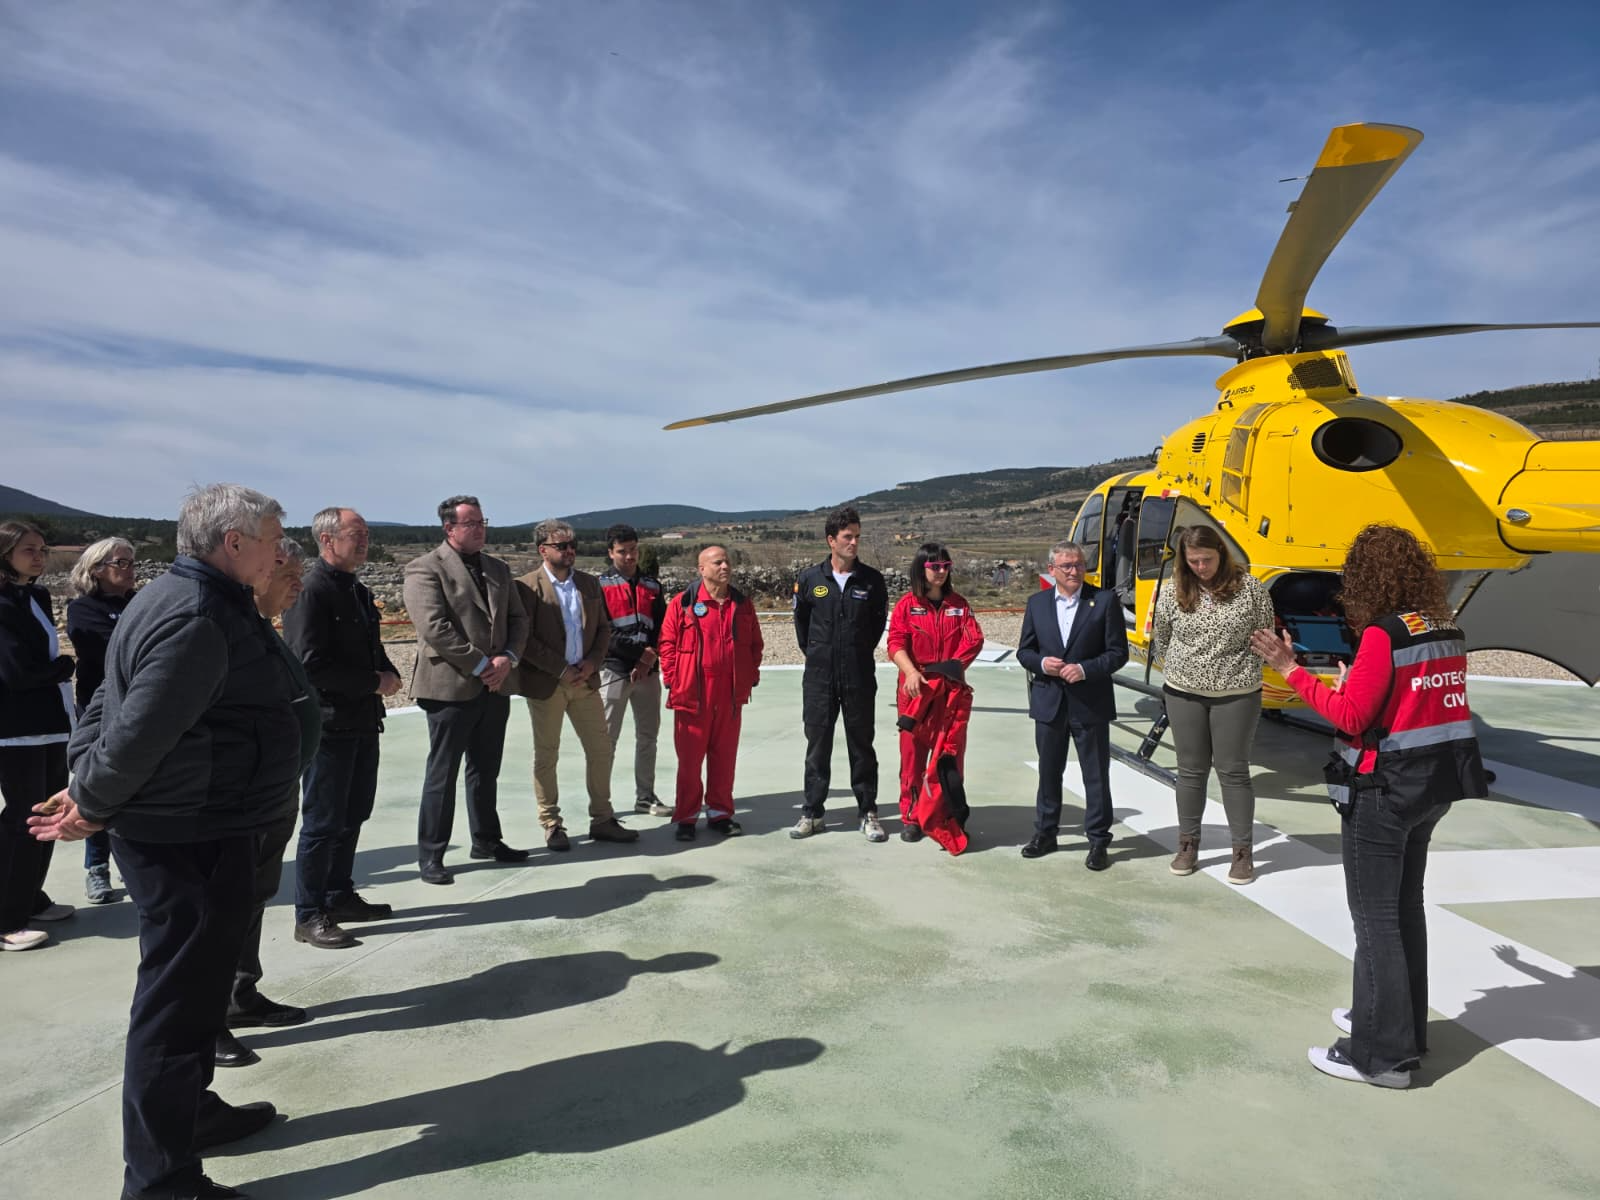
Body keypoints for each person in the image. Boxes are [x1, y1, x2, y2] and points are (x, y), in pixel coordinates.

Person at [30, 483, 297, 1200]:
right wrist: (91, 800)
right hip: (191, 834)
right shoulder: (198, 614)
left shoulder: (176, 597)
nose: (281, 552)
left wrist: (85, 780)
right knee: (177, 1008)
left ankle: (190, 1116)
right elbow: (139, 726)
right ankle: (161, 1181)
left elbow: (107, 702)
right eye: (274, 539)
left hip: (198, 824)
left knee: (194, 998)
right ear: (234, 542)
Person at [1251, 524, 1486, 1090]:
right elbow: (1413, 703)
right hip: (1432, 785)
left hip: (1383, 791)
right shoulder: (1445, 629)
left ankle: (1381, 1058)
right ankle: (1401, 1029)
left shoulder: (1383, 634)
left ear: (1366, 577)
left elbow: (1351, 718)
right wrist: (1356, 684)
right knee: (1406, 911)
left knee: (1375, 920)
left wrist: (1290, 668)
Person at [216, 537, 322, 1071]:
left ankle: (240, 994)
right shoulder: (222, 631)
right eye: (289, 574)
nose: (298, 585)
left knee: (252, 899)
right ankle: (208, 1020)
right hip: (237, 801)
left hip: (273, 794)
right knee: (222, 911)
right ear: (259, 570)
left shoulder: (260, 630)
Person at [283, 507, 400, 948]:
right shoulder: (312, 592)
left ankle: (339, 895)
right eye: (357, 534)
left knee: (353, 813)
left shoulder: (358, 591)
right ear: (328, 540)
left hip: (363, 721)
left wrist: (388, 673)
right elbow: (308, 665)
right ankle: (309, 913)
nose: (365, 541)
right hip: (330, 726)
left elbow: (373, 648)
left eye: (367, 534)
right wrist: (373, 682)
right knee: (322, 821)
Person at [404, 495, 529, 885]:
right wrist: (481, 664)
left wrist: (508, 657)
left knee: (485, 770)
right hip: (450, 688)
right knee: (442, 774)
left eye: (482, 522)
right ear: (449, 528)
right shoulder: (424, 568)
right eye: (471, 523)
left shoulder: (498, 568)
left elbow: (518, 619)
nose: (479, 529)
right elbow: (434, 628)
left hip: (495, 686)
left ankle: (486, 840)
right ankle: (432, 855)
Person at [1152, 524, 1277, 884]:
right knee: (1191, 771)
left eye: (1207, 559)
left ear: (1221, 554)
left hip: (1236, 694)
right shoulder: (1173, 590)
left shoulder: (1249, 589)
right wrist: (1185, 670)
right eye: (1193, 561)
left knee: (1233, 770)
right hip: (1183, 692)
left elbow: (1264, 635)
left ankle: (1242, 852)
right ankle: (1187, 845)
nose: (1201, 567)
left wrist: (1235, 670)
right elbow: (1162, 637)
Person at [512, 519, 637, 850]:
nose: (569, 551)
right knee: (547, 754)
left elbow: (604, 629)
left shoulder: (588, 584)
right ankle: (551, 823)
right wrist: (560, 669)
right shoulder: (526, 587)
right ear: (543, 550)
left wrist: (593, 662)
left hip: (585, 682)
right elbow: (525, 640)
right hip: (548, 684)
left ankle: (603, 818)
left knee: (600, 749)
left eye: (572, 545)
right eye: (561, 546)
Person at [1017, 539, 1129, 869]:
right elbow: (1025, 651)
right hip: (1049, 702)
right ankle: (1045, 833)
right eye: (1067, 566)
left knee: (1095, 775)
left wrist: (1084, 669)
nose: (1075, 571)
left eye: (1079, 565)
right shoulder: (1037, 604)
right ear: (1051, 570)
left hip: (1089, 703)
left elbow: (1117, 653)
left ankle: (1098, 841)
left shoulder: (1104, 601)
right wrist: (1041, 664)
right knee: (1049, 772)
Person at [791, 506, 889, 841]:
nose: (854, 542)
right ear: (831, 540)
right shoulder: (810, 579)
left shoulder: (872, 580)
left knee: (862, 745)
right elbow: (802, 627)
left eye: (857, 536)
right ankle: (812, 812)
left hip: (858, 675)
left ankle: (868, 812)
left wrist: (853, 652)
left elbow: (876, 626)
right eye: (848, 537)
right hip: (819, 677)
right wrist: (822, 654)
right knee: (817, 745)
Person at [1, 520, 75, 951]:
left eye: (43, 549)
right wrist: (63, 668)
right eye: (29, 550)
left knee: (48, 815)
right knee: (22, 819)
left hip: (49, 722)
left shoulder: (37, 595)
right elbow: (16, 672)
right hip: (16, 729)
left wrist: (55, 672)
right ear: (5, 554)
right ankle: (6, 919)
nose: (39, 557)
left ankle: (29, 897)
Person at [658, 545, 763, 841]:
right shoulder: (683, 603)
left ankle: (720, 814)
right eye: (717, 563)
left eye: (727, 562)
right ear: (701, 569)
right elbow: (667, 643)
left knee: (724, 758)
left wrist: (749, 675)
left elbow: (755, 644)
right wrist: (674, 679)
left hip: (729, 696)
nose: (725, 567)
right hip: (692, 694)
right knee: (690, 763)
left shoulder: (742, 605)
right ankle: (687, 817)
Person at [886, 542, 984, 853]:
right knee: (912, 758)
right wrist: (911, 673)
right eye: (934, 566)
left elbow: (974, 639)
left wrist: (948, 672)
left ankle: (945, 813)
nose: (940, 571)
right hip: (916, 694)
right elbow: (895, 643)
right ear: (921, 569)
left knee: (949, 758)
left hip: (950, 693)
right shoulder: (906, 606)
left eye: (945, 566)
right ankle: (912, 817)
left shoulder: (960, 605)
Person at [66, 536, 138, 905]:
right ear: (96, 569)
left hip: (138, 709)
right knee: (98, 786)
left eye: (131, 562)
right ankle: (97, 867)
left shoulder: (138, 604)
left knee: (137, 788)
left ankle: (134, 862)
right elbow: (116, 651)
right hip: (100, 713)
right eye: (120, 563)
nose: (130, 569)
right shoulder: (83, 610)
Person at [597, 523, 669, 817]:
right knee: (606, 741)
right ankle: (601, 805)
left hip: (648, 674)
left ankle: (645, 797)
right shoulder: (599, 586)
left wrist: (648, 659)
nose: (629, 556)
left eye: (633, 550)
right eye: (622, 551)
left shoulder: (653, 586)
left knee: (648, 737)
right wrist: (641, 655)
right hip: (614, 671)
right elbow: (604, 632)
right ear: (610, 553)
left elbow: (663, 627)